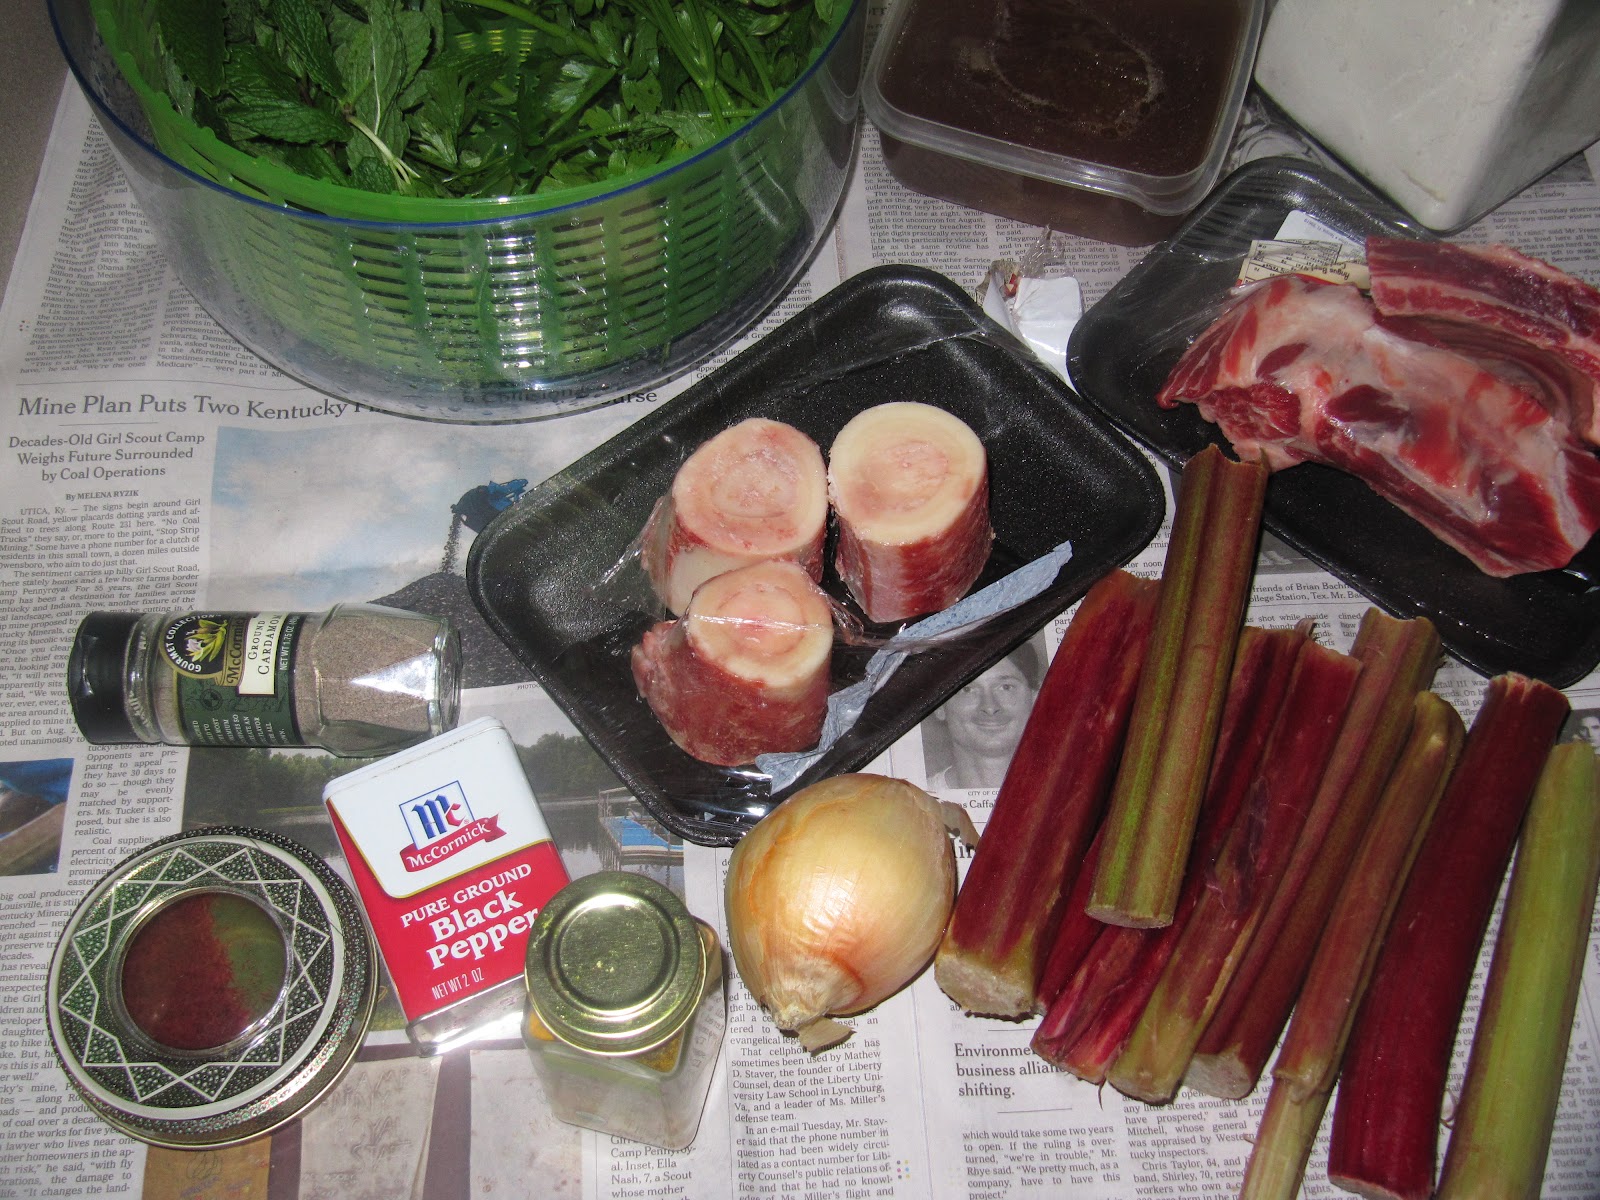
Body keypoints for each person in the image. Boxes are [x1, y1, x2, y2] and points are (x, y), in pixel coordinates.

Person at [925, 640, 1043, 790]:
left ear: (1035, 697)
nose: (989, 707)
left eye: (1006, 687)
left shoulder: (1072, 795)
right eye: (967, 689)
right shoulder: (913, 800)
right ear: (939, 706)